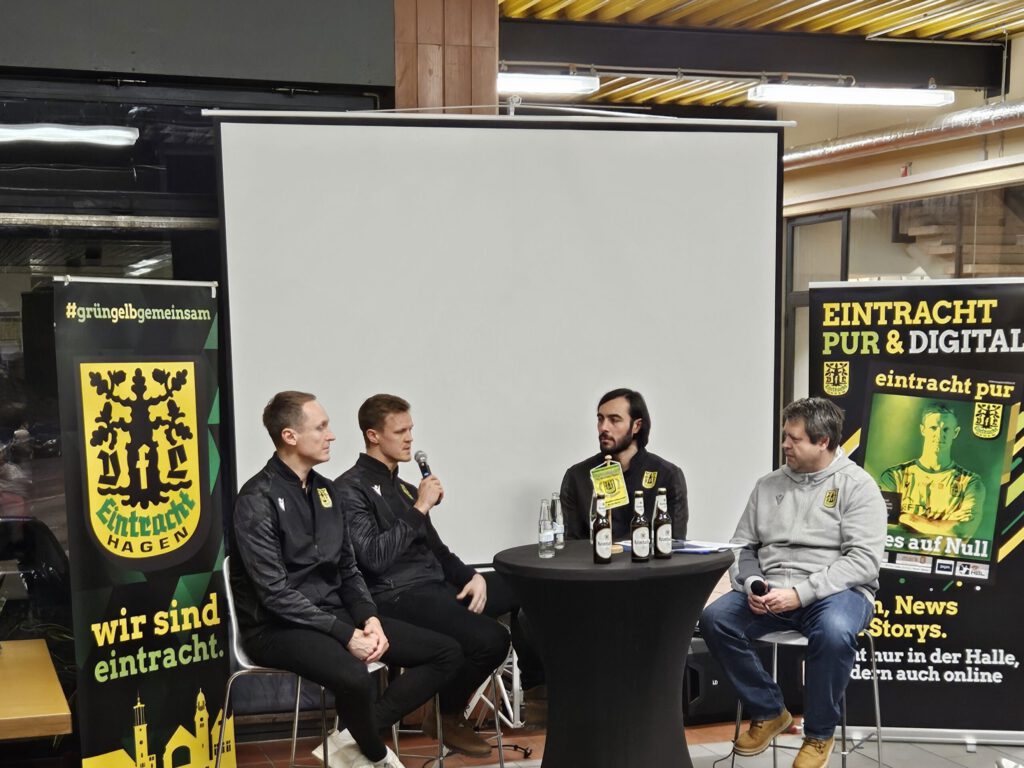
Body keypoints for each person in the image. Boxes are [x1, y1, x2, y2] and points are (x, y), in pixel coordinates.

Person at [230, 391, 462, 768]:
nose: (331, 435)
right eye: (320, 427)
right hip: (275, 627)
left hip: (333, 613)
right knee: (355, 677)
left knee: (446, 652)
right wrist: (347, 635)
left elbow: (348, 570)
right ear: (290, 436)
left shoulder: (325, 490)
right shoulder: (257, 498)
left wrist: (369, 618)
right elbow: (275, 594)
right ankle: (374, 755)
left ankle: (348, 746)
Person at [700, 397, 885, 768]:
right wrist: (752, 583)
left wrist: (800, 594)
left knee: (833, 632)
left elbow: (863, 562)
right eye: (785, 436)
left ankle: (818, 735)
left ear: (823, 441)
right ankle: (769, 711)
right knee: (715, 619)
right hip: (771, 591)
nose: (785, 445)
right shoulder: (768, 485)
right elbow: (744, 546)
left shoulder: (858, 487)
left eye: (794, 439)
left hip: (836, 593)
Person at [336, 394, 525, 756]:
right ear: (374, 436)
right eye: (400, 431)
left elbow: (437, 550)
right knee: (491, 640)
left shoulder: (406, 488)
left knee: (526, 587)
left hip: (434, 584)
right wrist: (420, 506)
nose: (410, 439)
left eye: (411, 430)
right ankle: (447, 714)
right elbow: (374, 558)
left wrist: (472, 576)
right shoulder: (351, 489)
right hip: (395, 595)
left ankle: (548, 691)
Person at [560, 388, 688, 541]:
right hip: (593, 563)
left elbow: (674, 543)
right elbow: (570, 548)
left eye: (614, 420)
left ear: (636, 426)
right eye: (600, 419)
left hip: (647, 564)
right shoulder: (577, 476)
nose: (603, 427)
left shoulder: (668, 476)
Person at [879, 402, 984, 538]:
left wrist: (908, 518)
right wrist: (944, 524)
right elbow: (881, 524)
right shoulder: (894, 476)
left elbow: (960, 531)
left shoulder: (970, 483)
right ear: (923, 430)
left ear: (955, 433)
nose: (939, 435)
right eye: (933, 428)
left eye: (946, 429)